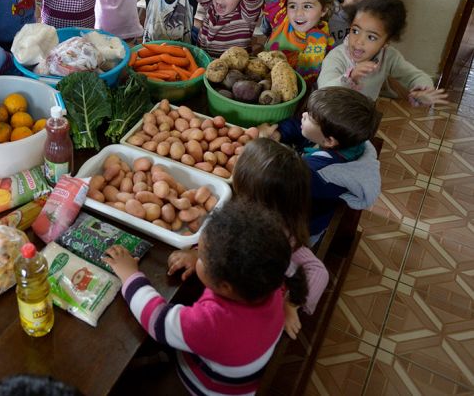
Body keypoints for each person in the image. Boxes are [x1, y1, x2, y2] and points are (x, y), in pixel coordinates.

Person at [104, 199, 298, 394]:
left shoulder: (213, 323)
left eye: (203, 257)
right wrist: (197, 257)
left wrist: (130, 275)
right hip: (237, 367)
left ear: (225, 286)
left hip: (204, 388)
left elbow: (157, 320)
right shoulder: (269, 281)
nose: (197, 255)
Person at [194, 138, 328, 339]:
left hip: (250, 302)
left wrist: (290, 305)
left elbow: (318, 272)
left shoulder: (279, 237)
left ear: (254, 197)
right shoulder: (258, 212)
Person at [259, 86, 382, 243]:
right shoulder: (346, 140)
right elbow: (300, 126)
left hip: (299, 229)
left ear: (329, 141)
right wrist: (280, 132)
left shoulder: (318, 173)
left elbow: (278, 186)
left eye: (310, 117)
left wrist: (262, 145)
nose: (303, 115)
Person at [319, 0, 448, 106]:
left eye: (371, 37)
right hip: (328, 116)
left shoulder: (388, 56)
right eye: (355, 31)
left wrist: (422, 90)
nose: (359, 41)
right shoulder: (337, 56)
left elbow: (414, 76)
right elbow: (323, 91)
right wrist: (350, 77)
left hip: (360, 117)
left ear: (386, 42)